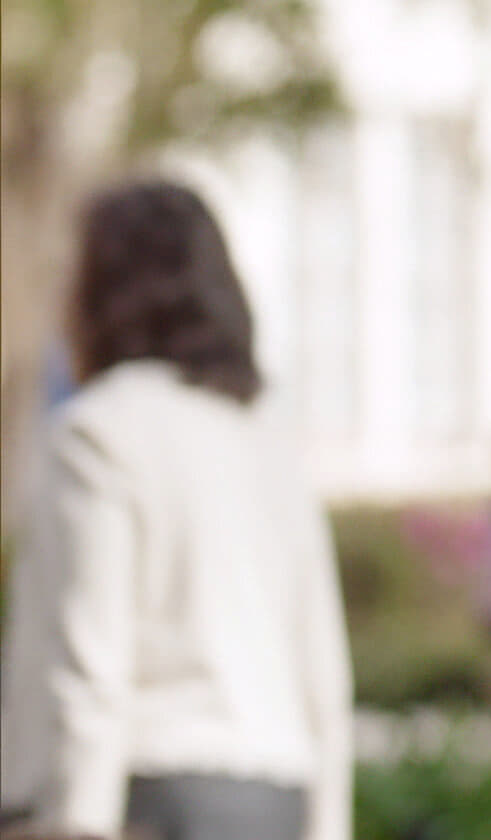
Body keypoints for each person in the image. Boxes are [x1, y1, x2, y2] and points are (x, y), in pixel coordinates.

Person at [0, 180, 353, 840]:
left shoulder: (96, 432)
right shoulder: (266, 437)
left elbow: (90, 669)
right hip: (275, 797)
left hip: (146, 798)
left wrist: (75, 824)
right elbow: (322, 674)